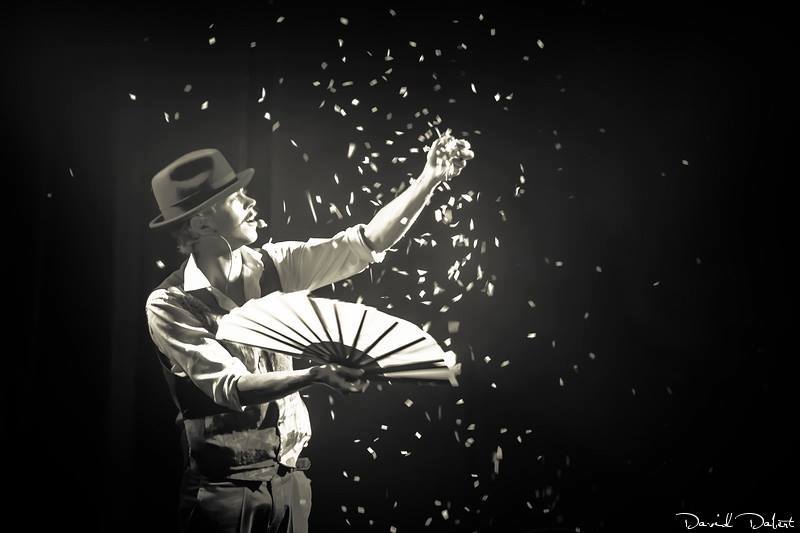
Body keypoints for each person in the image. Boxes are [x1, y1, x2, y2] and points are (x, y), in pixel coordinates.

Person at [145, 133, 474, 532]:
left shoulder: (275, 265)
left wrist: (428, 179)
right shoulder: (169, 304)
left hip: (293, 482)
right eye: (235, 198)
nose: (251, 202)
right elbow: (232, 386)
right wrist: (313, 375)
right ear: (201, 222)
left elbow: (366, 243)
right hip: (223, 495)